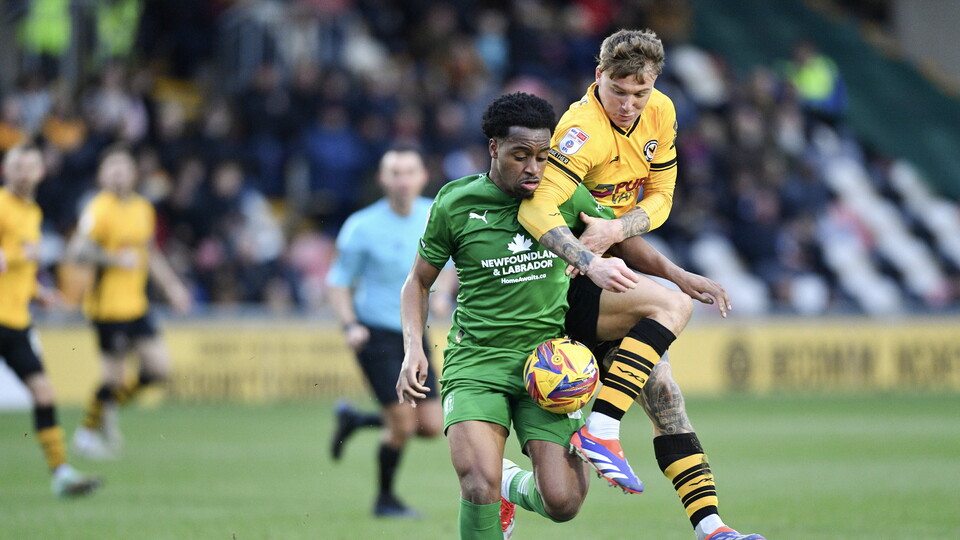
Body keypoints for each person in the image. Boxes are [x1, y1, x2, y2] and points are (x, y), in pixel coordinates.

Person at [517, 29, 764, 540]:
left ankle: (712, 528)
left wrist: (659, 259)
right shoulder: (580, 131)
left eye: (640, 92)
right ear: (597, 77)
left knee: (666, 398)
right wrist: (589, 255)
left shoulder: (663, 113)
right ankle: (603, 428)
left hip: (611, 275)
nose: (629, 104)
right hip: (560, 283)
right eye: (618, 91)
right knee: (671, 308)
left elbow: (661, 197)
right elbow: (538, 208)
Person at [398, 91, 602, 540]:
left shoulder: (565, 196)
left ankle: (510, 484)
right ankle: (494, 487)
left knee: (564, 503)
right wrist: (414, 346)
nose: (534, 168)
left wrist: (677, 279)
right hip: (477, 363)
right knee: (476, 481)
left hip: (549, 368)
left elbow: (614, 241)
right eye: (520, 155)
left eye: (543, 156)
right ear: (494, 148)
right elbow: (417, 282)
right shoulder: (456, 203)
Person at [325, 147, 447, 518]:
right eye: (395, 173)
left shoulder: (434, 214)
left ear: (423, 177)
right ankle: (385, 500)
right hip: (375, 333)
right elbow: (338, 282)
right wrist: (350, 325)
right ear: (383, 180)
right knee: (403, 422)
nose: (403, 180)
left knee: (431, 425)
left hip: (415, 334)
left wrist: (445, 295)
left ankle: (356, 420)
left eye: (410, 172)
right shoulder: (361, 226)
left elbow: (454, 259)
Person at [68, 144, 192, 460]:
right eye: (112, 168)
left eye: (123, 167)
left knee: (160, 369)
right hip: (107, 308)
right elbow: (78, 251)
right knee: (113, 377)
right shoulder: (97, 209)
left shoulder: (142, 209)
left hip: (137, 305)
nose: (118, 173)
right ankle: (86, 432)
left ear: (134, 173)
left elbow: (149, 253)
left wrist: (174, 287)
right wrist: (111, 258)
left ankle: (108, 411)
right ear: (102, 175)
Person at [0, 142, 101, 497]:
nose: (24, 172)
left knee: (43, 393)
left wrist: (39, 292)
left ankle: (61, 474)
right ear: (6, 171)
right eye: (17, 166)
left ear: (41, 172)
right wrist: (16, 255)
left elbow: (19, 272)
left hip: (14, 322)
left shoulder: (32, 213)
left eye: (30, 166)